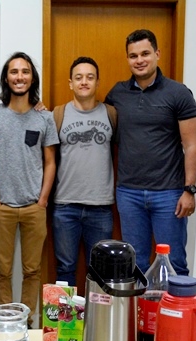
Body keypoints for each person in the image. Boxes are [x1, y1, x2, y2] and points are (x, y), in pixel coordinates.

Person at [105, 29, 196, 276]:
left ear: (157, 54)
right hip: (129, 194)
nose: (140, 60)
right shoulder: (118, 93)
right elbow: (93, 115)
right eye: (133, 55)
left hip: (168, 194)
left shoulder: (178, 93)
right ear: (128, 59)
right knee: (135, 266)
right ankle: (141, 316)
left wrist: (189, 190)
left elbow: (191, 145)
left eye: (145, 53)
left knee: (174, 264)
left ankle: (173, 315)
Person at [0, 52, 59, 325]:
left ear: (31, 77)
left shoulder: (44, 118)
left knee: (32, 270)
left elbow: (50, 162)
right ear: (6, 77)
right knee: (2, 270)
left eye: (24, 71)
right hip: (3, 208)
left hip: (34, 206)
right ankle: (7, 321)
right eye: (14, 72)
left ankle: (27, 322)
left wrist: (43, 200)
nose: (19, 77)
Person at [52, 56, 116, 287]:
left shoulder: (111, 114)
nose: (84, 82)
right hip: (65, 206)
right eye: (78, 77)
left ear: (97, 82)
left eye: (90, 77)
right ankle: (66, 323)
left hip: (100, 207)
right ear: (70, 83)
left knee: (100, 270)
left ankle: (96, 321)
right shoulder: (57, 115)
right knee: (65, 268)